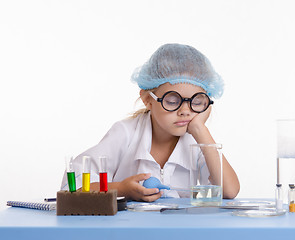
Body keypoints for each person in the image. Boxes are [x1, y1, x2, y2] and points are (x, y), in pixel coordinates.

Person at [60, 43, 240, 201]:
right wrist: (121, 189)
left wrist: (201, 130)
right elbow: (72, 188)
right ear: (147, 99)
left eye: (197, 102)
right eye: (172, 101)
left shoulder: (196, 141)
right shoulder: (125, 133)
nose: (185, 111)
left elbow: (229, 191)